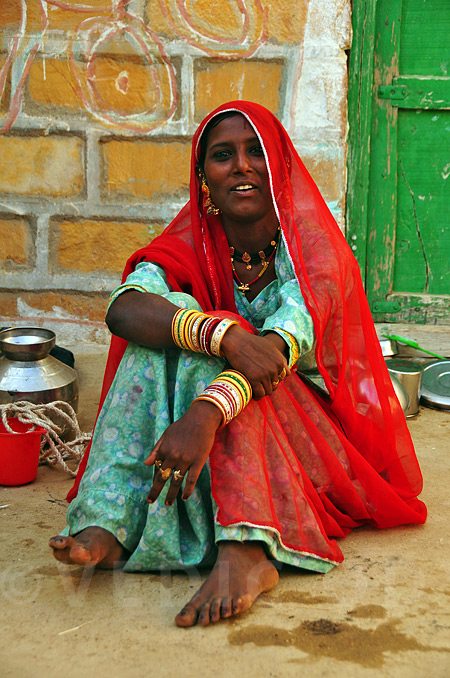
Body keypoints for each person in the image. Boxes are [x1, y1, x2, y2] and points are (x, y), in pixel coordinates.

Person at [49, 100, 426, 627]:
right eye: (223, 155)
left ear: (280, 166)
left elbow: (275, 355)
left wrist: (203, 414)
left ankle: (248, 549)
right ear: (204, 176)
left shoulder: (314, 250)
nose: (242, 166)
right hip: (229, 411)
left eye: (257, 152)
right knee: (183, 324)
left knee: (220, 331)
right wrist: (222, 336)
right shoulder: (194, 240)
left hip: (311, 439)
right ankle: (109, 518)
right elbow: (125, 307)